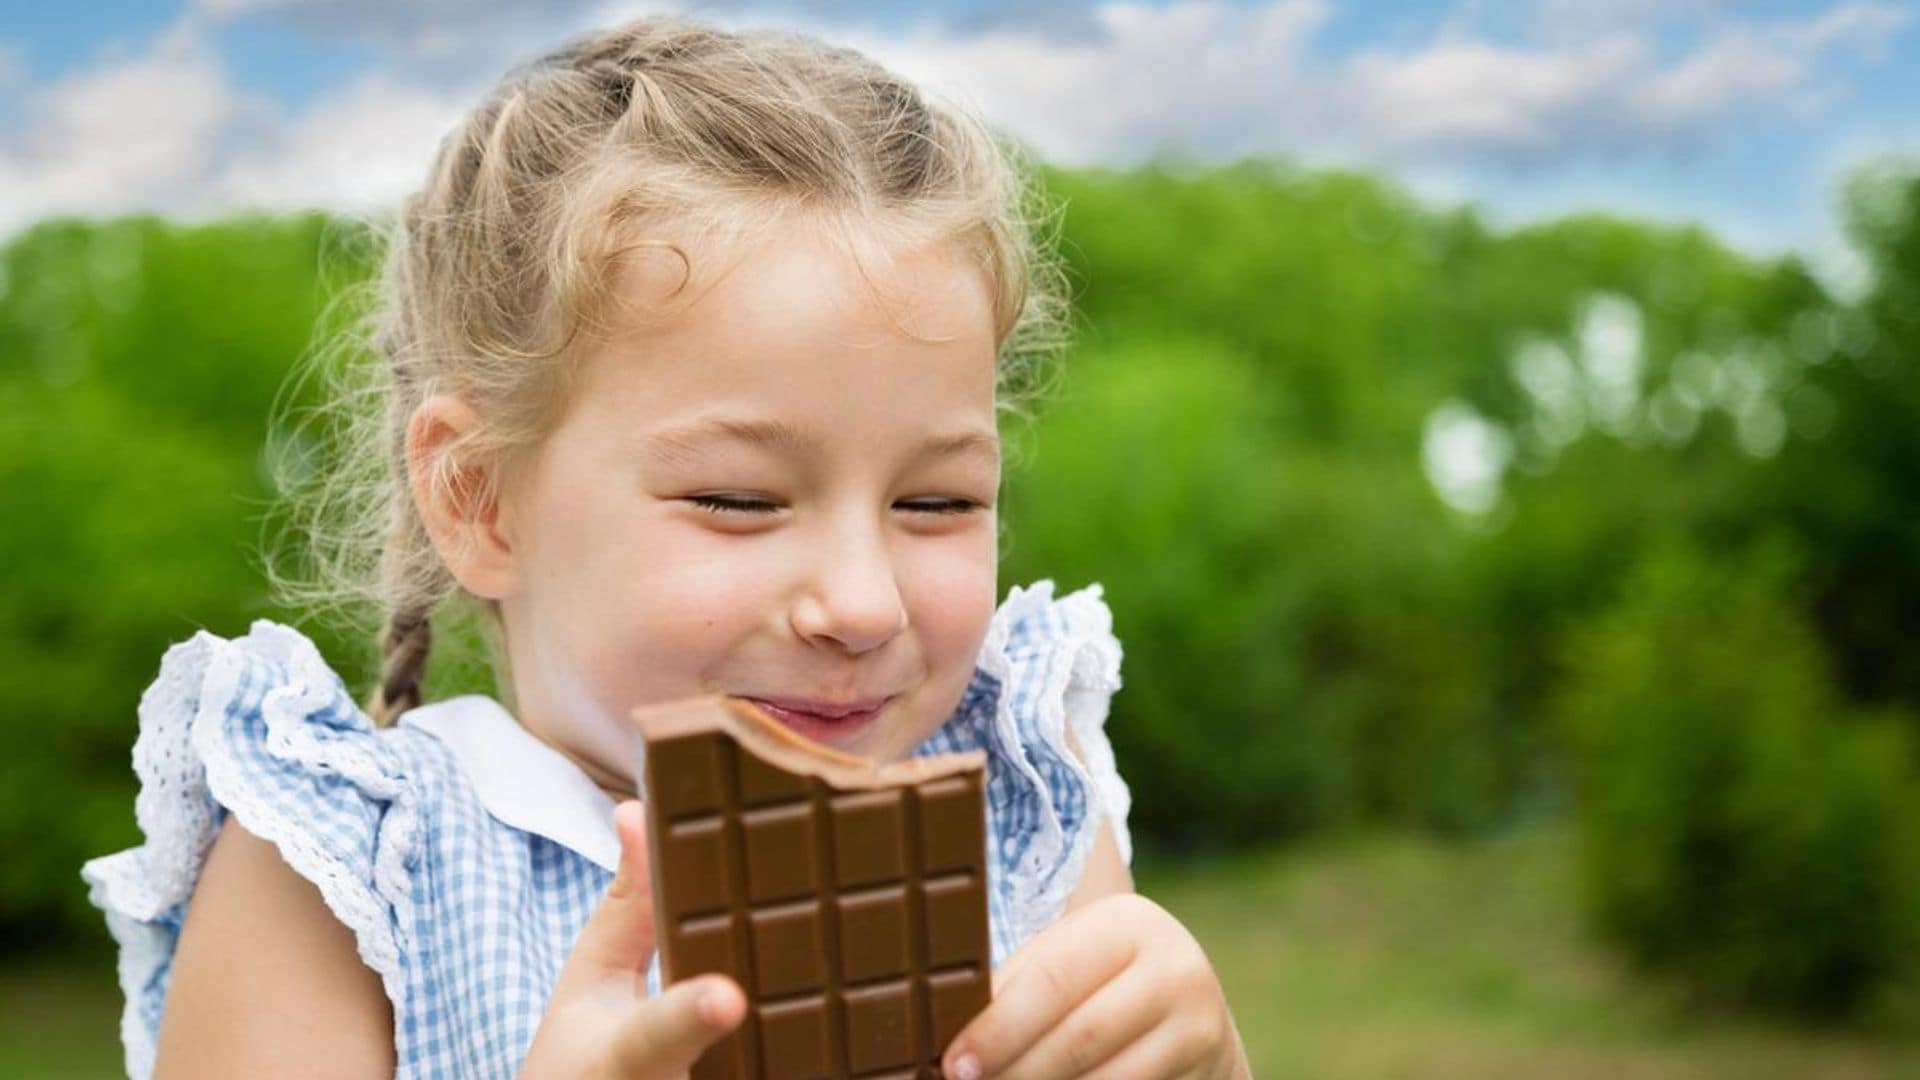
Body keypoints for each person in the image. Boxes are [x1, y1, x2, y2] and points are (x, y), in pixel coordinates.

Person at [82, 14, 1251, 1080]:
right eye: (740, 500)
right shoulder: (338, 876)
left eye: (936, 503)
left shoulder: (1020, 805)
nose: (861, 603)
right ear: (482, 500)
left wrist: (1210, 1064)